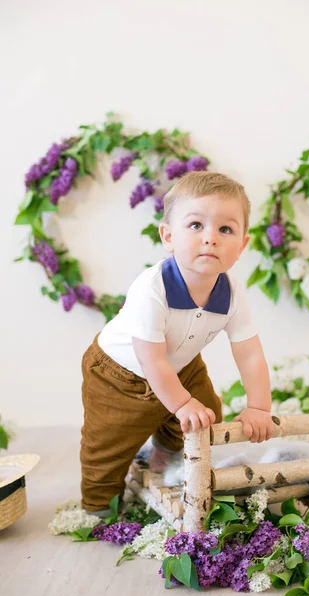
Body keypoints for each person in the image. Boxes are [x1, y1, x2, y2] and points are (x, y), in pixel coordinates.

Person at [80, 171, 273, 515]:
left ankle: (167, 456)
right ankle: (99, 506)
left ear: (242, 245)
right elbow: (151, 359)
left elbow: (250, 354)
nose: (210, 238)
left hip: (180, 365)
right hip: (119, 373)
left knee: (207, 411)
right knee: (109, 441)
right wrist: (181, 403)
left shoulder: (231, 294)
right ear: (168, 236)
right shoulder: (152, 288)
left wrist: (258, 406)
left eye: (225, 229)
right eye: (196, 225)